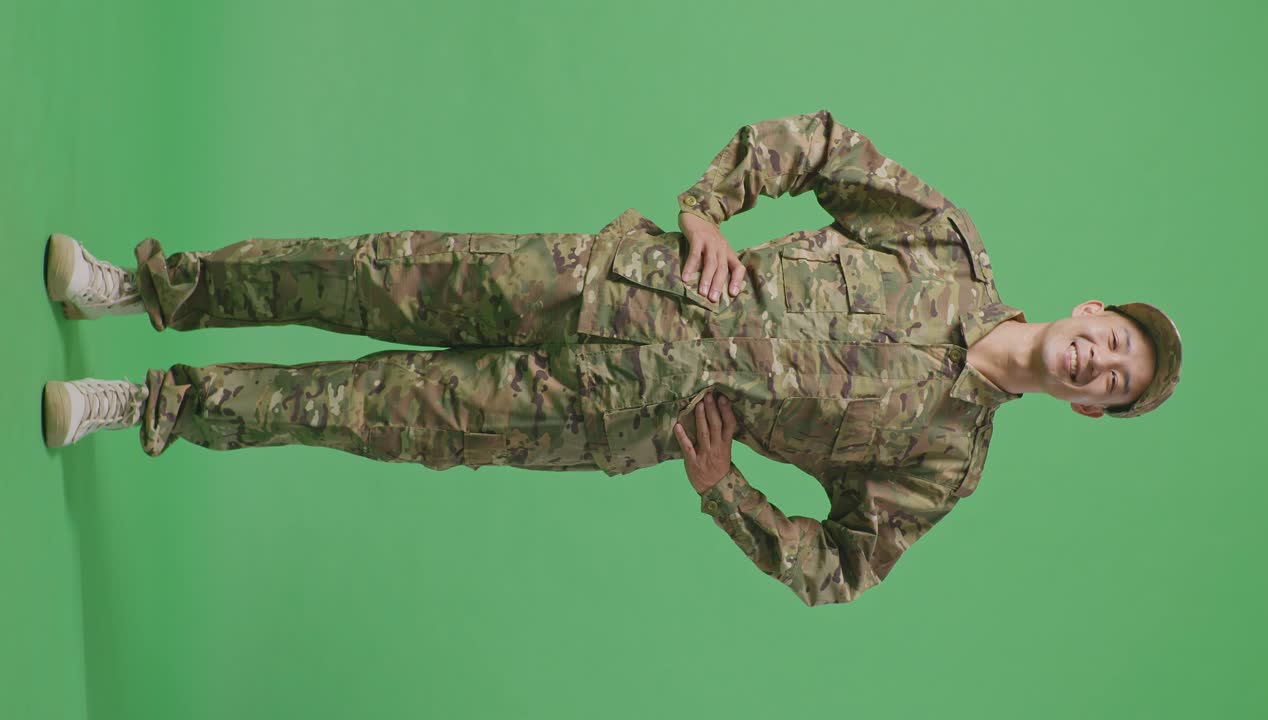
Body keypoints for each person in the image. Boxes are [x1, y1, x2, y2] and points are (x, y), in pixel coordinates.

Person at [41, 109, 1183, 607]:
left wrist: (723, 491)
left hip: (599, 412)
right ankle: (147, 287)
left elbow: (836, 569)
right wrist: (708, 207)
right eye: (1113, 341)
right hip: (602, 279)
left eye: (1112, 383)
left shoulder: (944, 464)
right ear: (1090, 309)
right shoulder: (945, 244)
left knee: (369, 407)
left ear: (1090, 411)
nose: (1096, 362)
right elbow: (823, 144)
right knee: (365, 270)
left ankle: (146, 400)